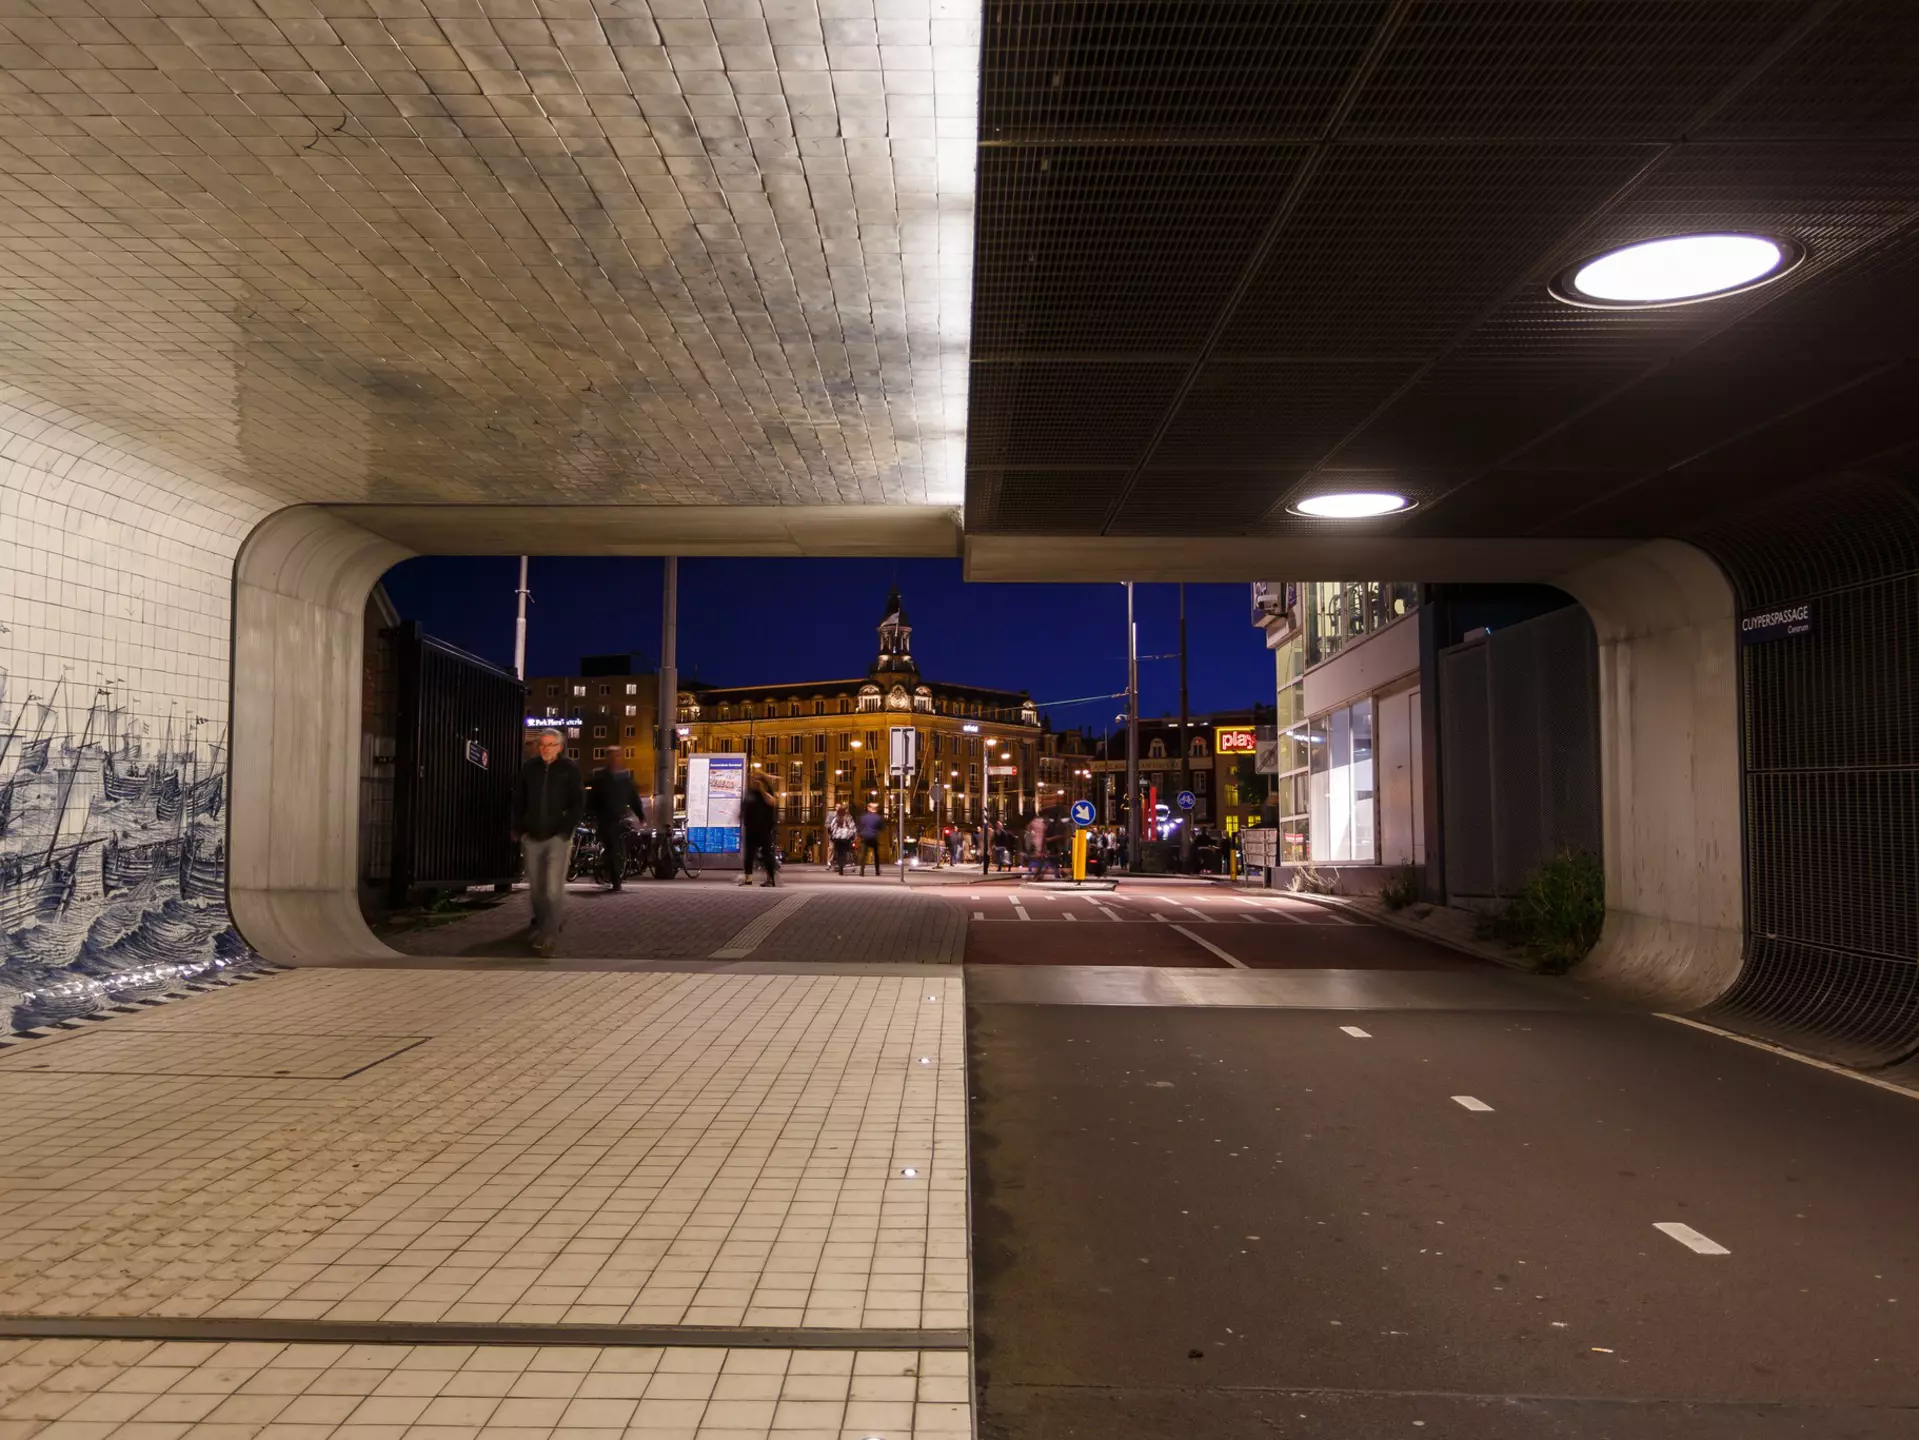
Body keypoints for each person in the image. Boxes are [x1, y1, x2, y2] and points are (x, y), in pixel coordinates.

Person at [514, 729, 584, 956]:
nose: (546, 749)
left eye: (551, 745)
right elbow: (518, 799)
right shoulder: (529, 768)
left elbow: (578, 802)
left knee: (553, 889)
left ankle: (549, 936)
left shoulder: (569, 769)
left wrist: (565, 830)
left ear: (560, 747)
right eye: (543, 745)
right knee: (536, 890)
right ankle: (544, 925)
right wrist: (519, 828)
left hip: (557, 836)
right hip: (532, 835)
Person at [588, 752, 646, 890]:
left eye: (617, 756)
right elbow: (592, 799)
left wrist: (641, 816)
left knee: (616, 848)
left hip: (620, 819)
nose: (615, 759)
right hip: (606, 819)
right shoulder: (602, 778)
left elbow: (633, 798)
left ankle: (613, 873)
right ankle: (614, 877)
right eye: (613, 756)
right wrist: (592, 816)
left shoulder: (623, 779)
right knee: (612, 847)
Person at [741, 773, 780, 886]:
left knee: (766, 854)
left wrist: (762, 790)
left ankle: (771, 879)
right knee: (749, 855)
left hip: (764, 829)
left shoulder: (766, 792)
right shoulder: (750, 793)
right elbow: (744, 806)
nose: (754, 782)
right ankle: (748, 879)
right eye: (753, 779)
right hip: (751, 828)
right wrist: (741, 814)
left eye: (757, 780)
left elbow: (772, 802)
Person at [856, 801, 885, 875]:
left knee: (863, 854)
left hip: (865, 837)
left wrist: (860, 834)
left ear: (868, 808)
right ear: (875, 809)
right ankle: (877, 871)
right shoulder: (878, 817)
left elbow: (859, 827)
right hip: (873, 837)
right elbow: (881, 828)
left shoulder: (863, 817)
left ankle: (862, 871)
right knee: (876, 854)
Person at [828, 802, 856, 875]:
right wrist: (853, 835)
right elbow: (852, 826)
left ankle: (840, 866)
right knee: (846, 851)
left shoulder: (836, 818)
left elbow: (832, 827)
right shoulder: (848, 816)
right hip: (845, 837)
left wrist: (833, 835)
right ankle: (848, 863)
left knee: (839, 852)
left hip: (837, 837)